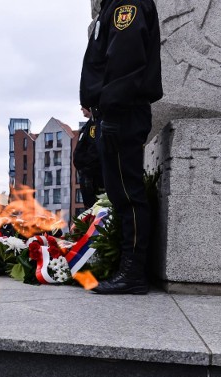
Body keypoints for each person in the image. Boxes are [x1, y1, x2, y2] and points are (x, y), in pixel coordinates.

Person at [80, 0, 163, 294]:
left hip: (122, 112)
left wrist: (112, 110)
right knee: (120, 192)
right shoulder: (113, 5)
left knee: (128, 194)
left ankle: (133, 272)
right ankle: (129, 267)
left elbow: (125, 60)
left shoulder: (127, 3)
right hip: (117, 112)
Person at [73, 108, 103, 208]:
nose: (81, 108)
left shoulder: (96, 123)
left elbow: (95, 148)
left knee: (96, 208)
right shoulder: (88, 125)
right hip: (86, 175)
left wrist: (87, 167)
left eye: (83, 105)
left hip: (93, 177)